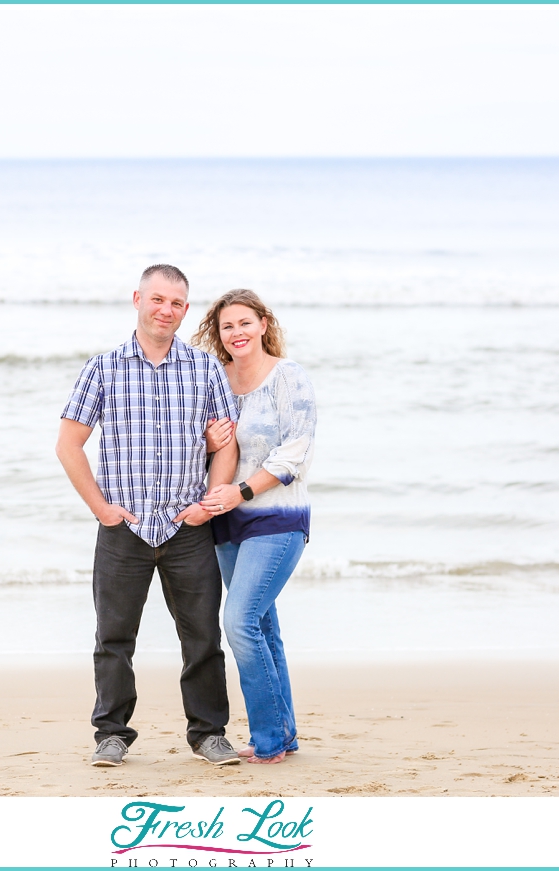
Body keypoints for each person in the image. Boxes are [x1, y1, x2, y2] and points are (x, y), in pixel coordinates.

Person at [56, 264, 243, 768]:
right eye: (158, 299)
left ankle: (209, 734)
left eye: (177, 303)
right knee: (113, 638)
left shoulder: (204, 369)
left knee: (202, 636)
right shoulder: (104, 368)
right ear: (138, 299)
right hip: (125, 527)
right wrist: (101, 509)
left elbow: (226, 445)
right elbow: (69, 445)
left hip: (187, 527)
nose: (166, 310)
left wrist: (208, 503)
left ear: (186, 309)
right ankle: (111, 734)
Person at [192, 289, 316, 764]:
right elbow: (208, 448)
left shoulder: (289, 377)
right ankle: (284, 734)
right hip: (227, 525)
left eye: (245, 323)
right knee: (262, 626)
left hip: (278, 517)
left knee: (239, 622)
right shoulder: (218, 379)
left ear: (263, 324)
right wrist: (205, 441)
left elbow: (295, 449)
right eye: (227, 326)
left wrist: (241, 492)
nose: (236, 333)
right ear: (218, 334)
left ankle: (267, 740)